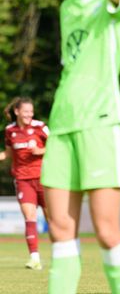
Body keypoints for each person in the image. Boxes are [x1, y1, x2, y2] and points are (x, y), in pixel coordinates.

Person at [40, 0, 120, 293]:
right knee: (61, 233)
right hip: (62, 126)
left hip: (102, 123)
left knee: (106, 231)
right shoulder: (67, 8)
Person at [0, 97, 49, 270]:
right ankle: (34, 259)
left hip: (45, 178)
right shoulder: (10, 131)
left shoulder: (40, 127)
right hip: (23, 179)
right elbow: (7, 154)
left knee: (54, 219)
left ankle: (66, 255)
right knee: (30, 218)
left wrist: (41, 150)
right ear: (17, 112)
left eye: (31, 111)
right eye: (26, 111)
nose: (29, 114)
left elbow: (58, 146)